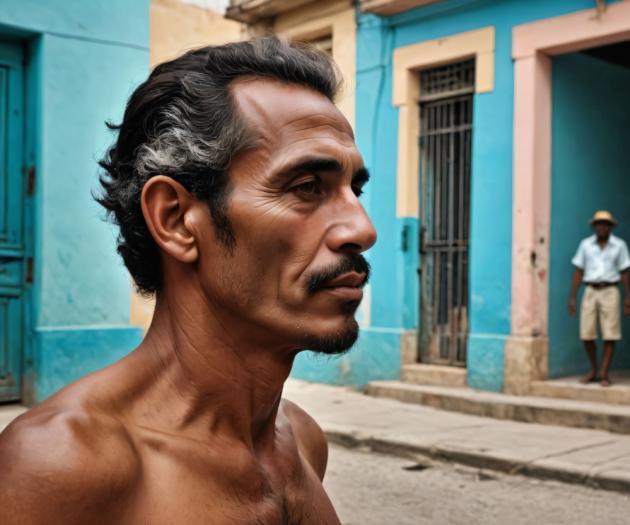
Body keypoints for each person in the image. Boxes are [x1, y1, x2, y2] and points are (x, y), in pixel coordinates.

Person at [0, 38, 376, 524]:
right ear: (176, 220)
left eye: (355, 189)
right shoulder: (60, 467)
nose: (363, 229)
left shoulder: (303, 441)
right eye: (306, 187)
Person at [568, 210, 630, 387]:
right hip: (590, 290)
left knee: (610, 333)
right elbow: (579, 271)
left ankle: (604, 372)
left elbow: (625, 271)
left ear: (611, 227)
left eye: (606, 224)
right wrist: (573, 297)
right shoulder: (585, 245)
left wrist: (629, 298)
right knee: (586, 333)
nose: (602, 227)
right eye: (599, 224)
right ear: (594, 227)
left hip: (610, 290)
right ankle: (593, 369)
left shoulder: (619, 245)